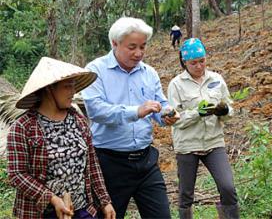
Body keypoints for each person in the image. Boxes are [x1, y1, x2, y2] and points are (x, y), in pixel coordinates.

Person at [81, 17, 180, 219]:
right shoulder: (95, 71)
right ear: (114, 43)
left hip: (146, 161)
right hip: (109, 162)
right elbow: (97, 111)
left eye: (143, 46)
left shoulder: (148, 72)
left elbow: (159, 104)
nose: (139, 53)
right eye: (132, 47)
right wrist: (136, 111)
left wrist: (167, 114)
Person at [7, 57, 116, 219]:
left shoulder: (78, 121)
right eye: (67, 87)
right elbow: (17, 174)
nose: (73, 92)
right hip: (42, 213)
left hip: (82, 210)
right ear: (49, 89)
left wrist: (105, 201)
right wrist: (52, 198)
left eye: (73, 86)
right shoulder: (23, 127)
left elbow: (92, 165)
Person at [168, 38, 239, 219]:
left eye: (202, 61)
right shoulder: (176, 85)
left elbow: (229, 109)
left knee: (227, 187)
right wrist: (196, 113)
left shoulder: (216, 79)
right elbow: (174, 120)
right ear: (184, 62)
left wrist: (224, 111)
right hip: (187, 145)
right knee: (186, 194)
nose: (199, 66)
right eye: (193, 63)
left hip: (214, 142)